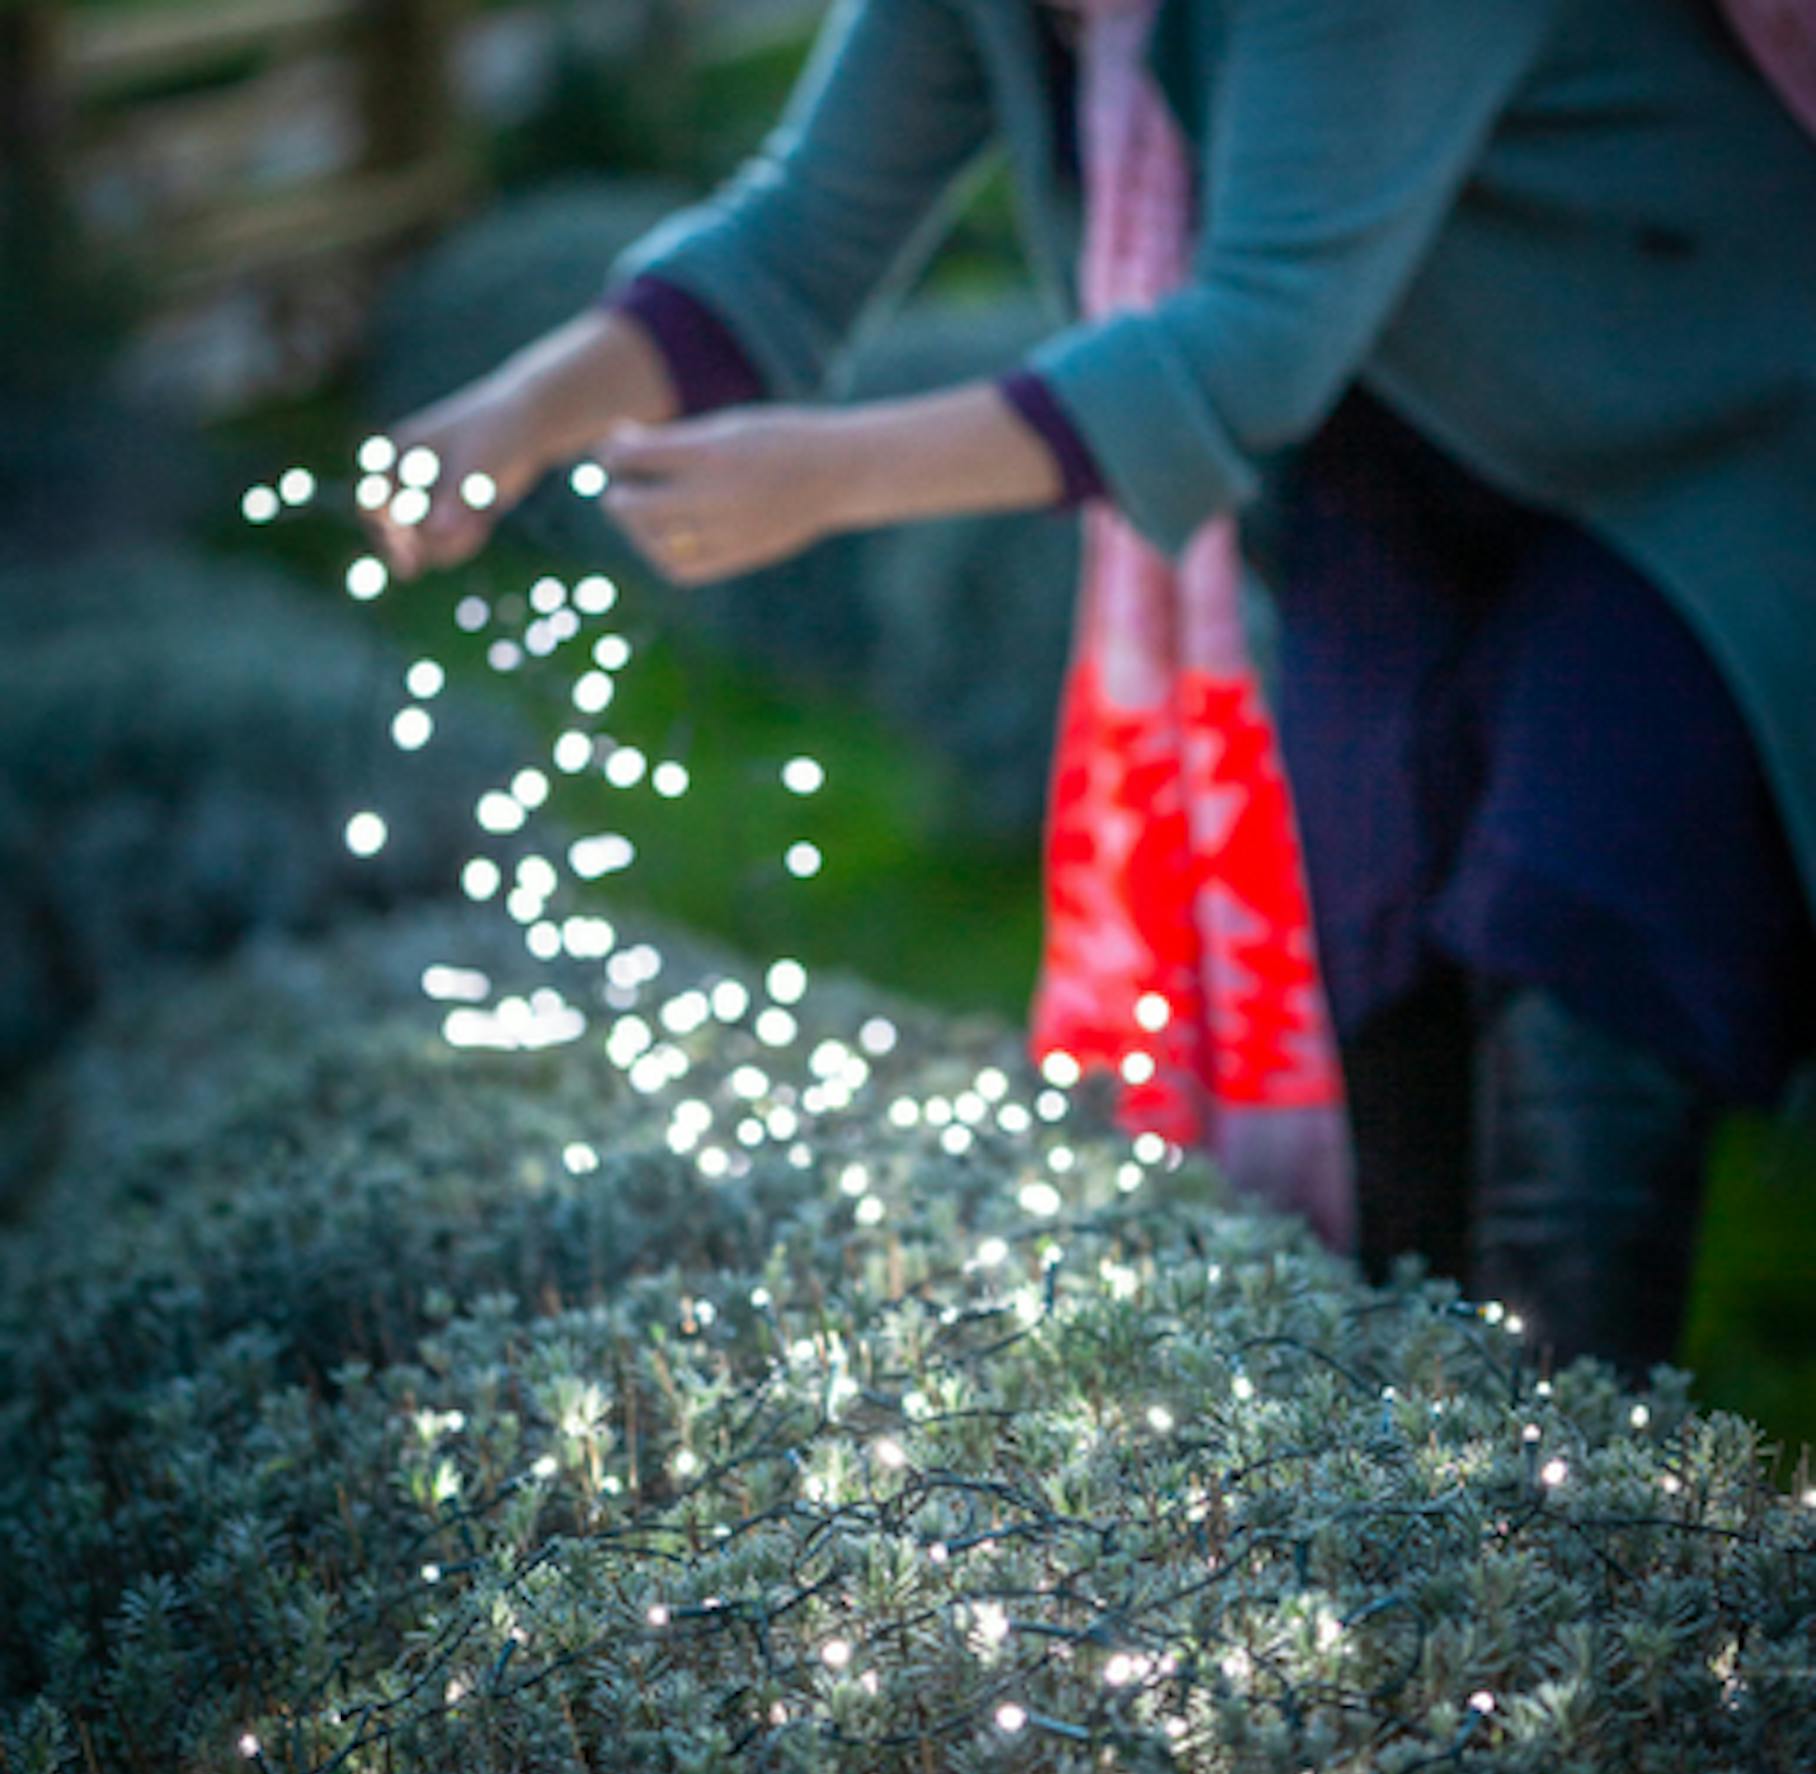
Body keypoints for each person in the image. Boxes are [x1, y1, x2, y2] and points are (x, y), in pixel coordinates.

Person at [366, 0, 1816, 1383]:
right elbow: (798, 234)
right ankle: (1437, 1542)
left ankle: (1602, 1551)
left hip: (1697, 460)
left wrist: (827, 475)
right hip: (1389, 494)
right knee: (1363, 989)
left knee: (1582, 967)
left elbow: (1250, 344)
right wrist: (514, 415)